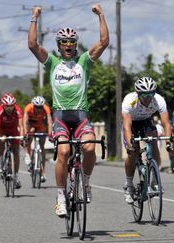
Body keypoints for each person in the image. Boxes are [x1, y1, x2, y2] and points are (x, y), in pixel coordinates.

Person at [28, 4, 109, 217]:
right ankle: (61, 197)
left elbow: (104, 42)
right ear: (59, 45)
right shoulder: (52, 63)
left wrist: (101, 15)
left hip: (81, 115)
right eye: (64, 42)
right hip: (61, 116)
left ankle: (87, 181)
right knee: (63, 152)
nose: (68, 46)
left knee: (90, 148)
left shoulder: (83, 61)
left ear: (75, 45)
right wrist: (34, 17)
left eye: (71, 43)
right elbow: (32, 45)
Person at [122, 77, 173, 204]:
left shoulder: (159, 100)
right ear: (138, 93)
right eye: (145, 94)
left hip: (146, 121)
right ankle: (128, 185)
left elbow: (166, 123)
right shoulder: (130, 100)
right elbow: (127, 126)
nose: (148, 97)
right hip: (131, 123)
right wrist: (129, 145)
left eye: (151, 93)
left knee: (154, 142)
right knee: (133, 152)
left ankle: (155, 179)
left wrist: (168, 142)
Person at [0, 93, 24, 189]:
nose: (9, 108)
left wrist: (22, 137)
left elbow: (21, 126)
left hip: (13, 130)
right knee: (1, 142)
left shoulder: (18, 110)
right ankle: (0, 160)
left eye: (11, 106)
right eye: (7, 106)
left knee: (16, 152)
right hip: (2, 130)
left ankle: (16, 176)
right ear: (3, 105)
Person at [23, 96, 53, 183]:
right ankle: (27, 154)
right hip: (31, 124)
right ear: (33, 105)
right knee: (30, 134)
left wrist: (50, 134)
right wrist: (25, 133)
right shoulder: (28, 108)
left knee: (42, 146)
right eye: (37, 107)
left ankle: (43, 172)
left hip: (40, 126)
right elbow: (25, 121)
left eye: (40, 107)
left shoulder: (46, 109)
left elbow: (49, 122)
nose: (39, 109)